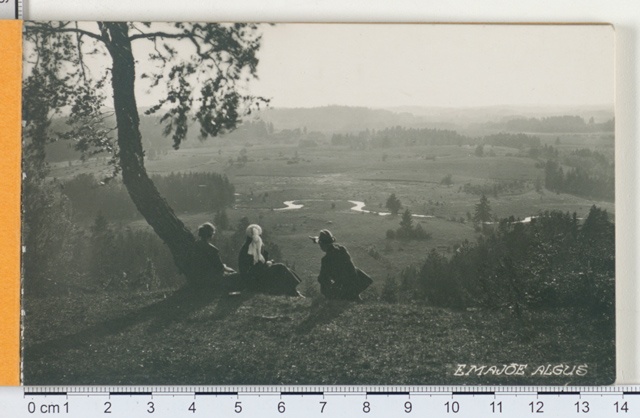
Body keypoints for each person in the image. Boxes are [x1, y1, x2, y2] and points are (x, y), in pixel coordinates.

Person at [238, 224, 303, 296]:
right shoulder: (250, 248)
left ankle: (292, 291)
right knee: (280, 267)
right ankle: (292, 292)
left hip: (253, 278)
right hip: (253, 280)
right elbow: (254, 268)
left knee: (280, 268)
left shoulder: (251, 246)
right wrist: (268, 264)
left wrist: (268, 263)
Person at [311, 229, 373, 301]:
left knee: (323, 282)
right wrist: (317, 239)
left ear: (322, 245)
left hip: (344, 287)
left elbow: (322, 278)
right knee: (351, 274)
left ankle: (335, 300)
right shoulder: (342, 249)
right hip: (357, 282)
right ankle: (355, 296)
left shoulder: (326, 259)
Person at [191, 222, 237, 291]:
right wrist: (228, 268)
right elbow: (220, 268)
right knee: (235, 275)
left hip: (197, 278)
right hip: (211, 279)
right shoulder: (212, 249)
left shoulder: (195, 245)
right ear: (210, 234)